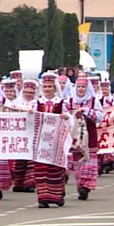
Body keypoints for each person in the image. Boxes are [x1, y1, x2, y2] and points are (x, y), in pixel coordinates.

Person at [34, 73, 69, 208]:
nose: (47, 89)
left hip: (56, 139)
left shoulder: (61, 103)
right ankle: (43, 196)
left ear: (55, 88)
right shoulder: (38, 102)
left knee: (54, 167)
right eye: (45, 87)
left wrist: (66, 117)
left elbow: (69, 118)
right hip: (41, 139)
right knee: (41, 167)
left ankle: (56, 195)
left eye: (50, 87)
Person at [66, 75, 103, 200]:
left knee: (88, 161)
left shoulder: (93, 100)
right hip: (75, 135)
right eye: (79, 87)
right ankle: (80, 184)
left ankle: (86, 185)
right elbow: (65, 114)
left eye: (83, 87)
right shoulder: (70, 100)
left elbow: (99, 116)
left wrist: (86, 111)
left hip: (89, 134)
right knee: (78, 161)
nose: (80, 89)